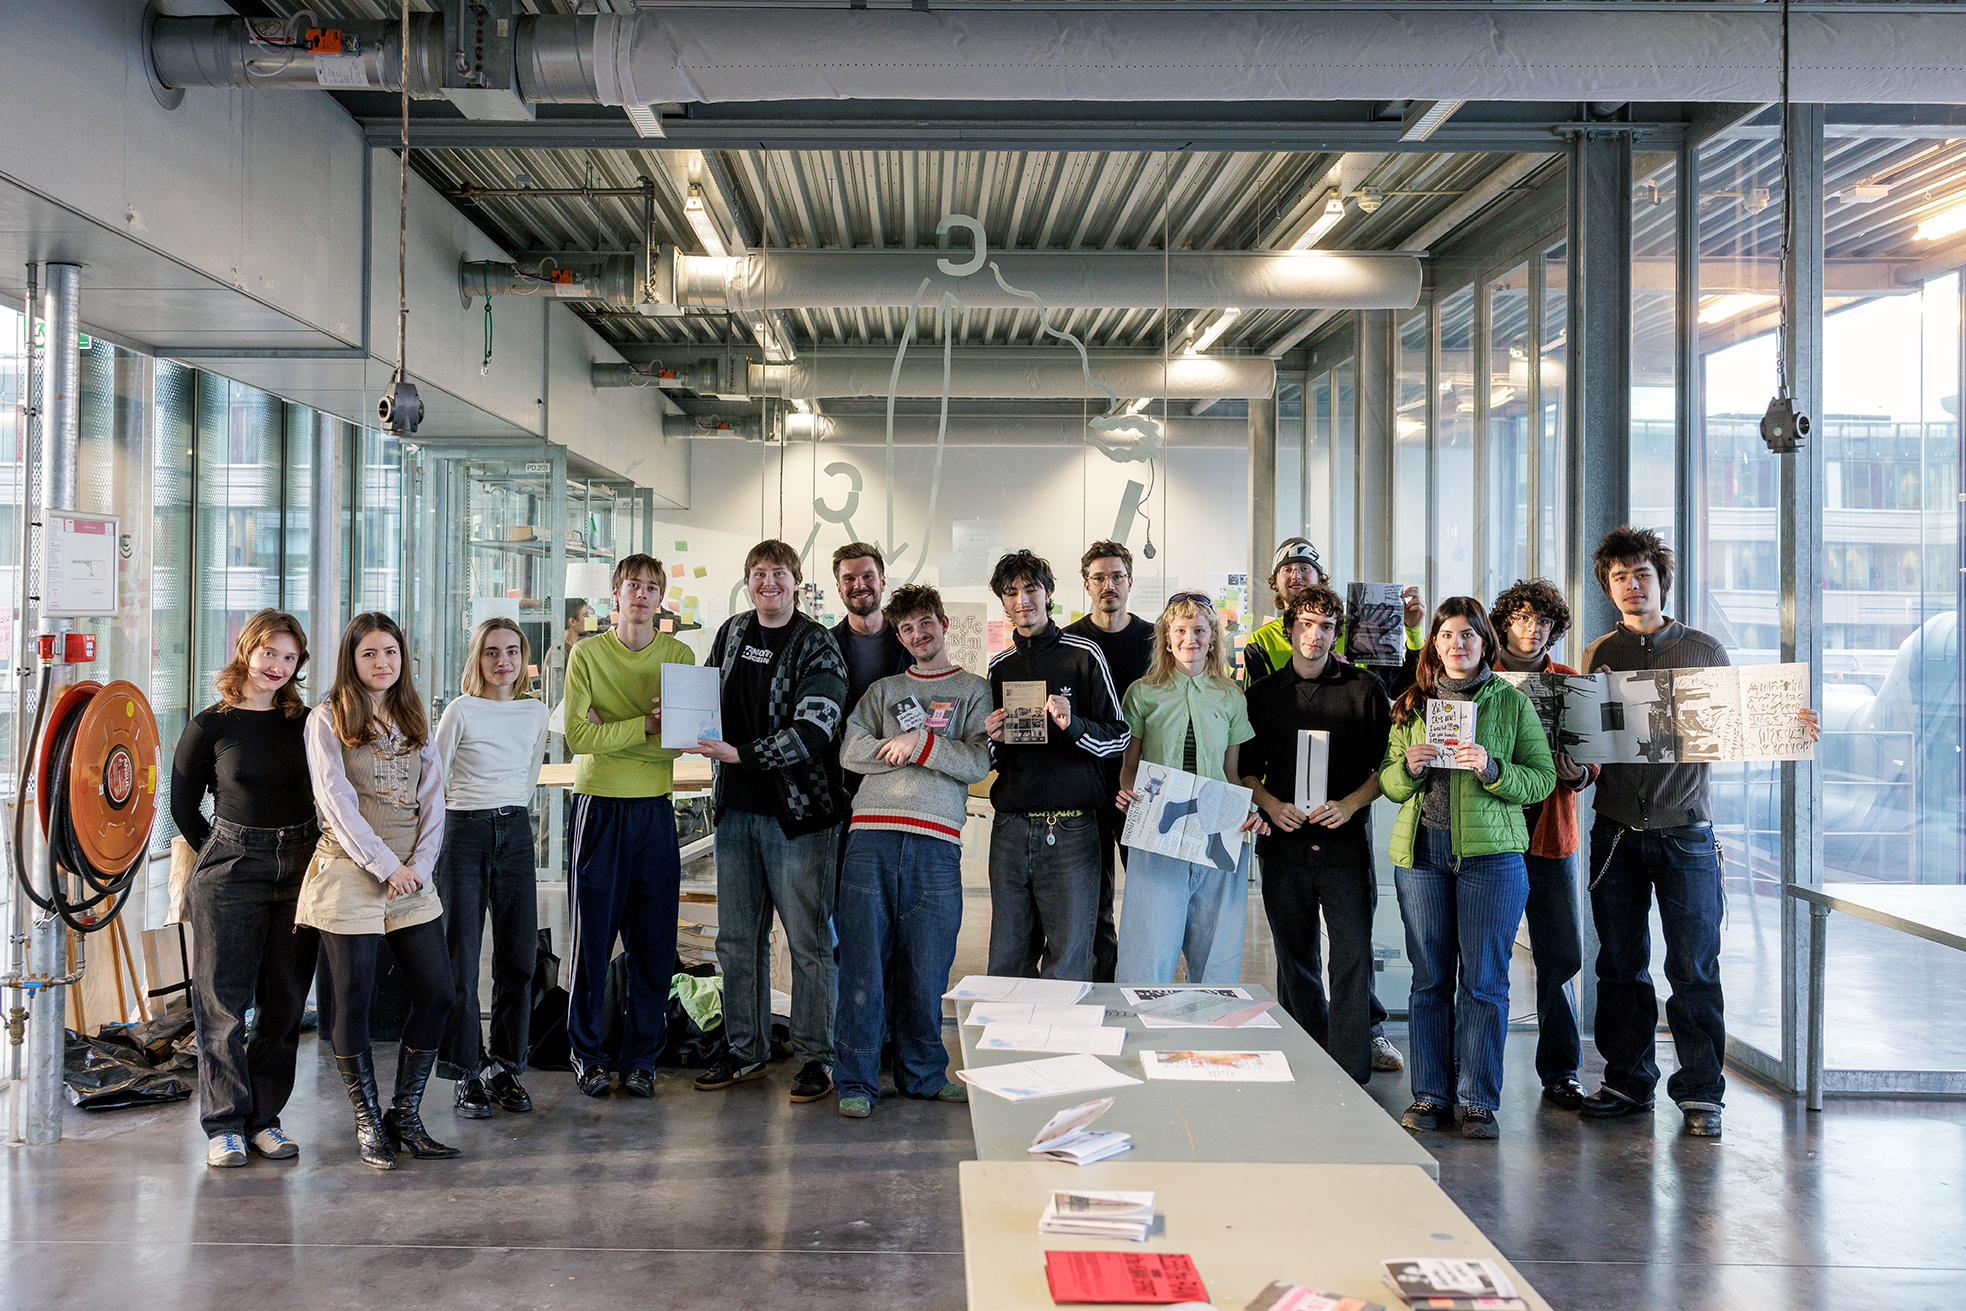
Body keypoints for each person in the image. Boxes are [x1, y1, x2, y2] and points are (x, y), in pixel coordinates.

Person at [1580, 526, 1818, 1139]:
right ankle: (1627, 1081)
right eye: (1619, 578)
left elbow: (1736, 726)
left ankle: (1701, 1093)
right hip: (1615, 831)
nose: (1632, 586)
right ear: (1609, 589)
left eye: (1642, 575)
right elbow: (1590, 741)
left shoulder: (1704, 650)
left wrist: (1787, 722)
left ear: (1662, 581)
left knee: (1693, 968)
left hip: (1685, 830)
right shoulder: (1599, 653)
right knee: (1620, 965)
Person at [1240, 535, 1419, 1073]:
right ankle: (1307, 1060)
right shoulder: (1261, 695)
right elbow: (1244, 769)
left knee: (1352, 957)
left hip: (1344, 846)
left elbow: (1387, 767)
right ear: (1289, 629)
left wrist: (1351, 803)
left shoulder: (1365, 689)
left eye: (1324, 626)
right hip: (1284, 847)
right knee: (1295, 960)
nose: (1314, 635)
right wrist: (1270, 804)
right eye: (1305, 625)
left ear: (1336, 632)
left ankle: (1350, 1067)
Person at [1379, 598, 1554, 1141]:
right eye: (1448, 635)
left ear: (1485, 643)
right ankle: (1430, 1094)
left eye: (1469, 635)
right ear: (1434, 643)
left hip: (1492, 859)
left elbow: (1542, 779)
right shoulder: (1412, 705)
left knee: (1483, 981)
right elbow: (1388, 782)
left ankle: (1477, 1099)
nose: (1458, 645)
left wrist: (1494, 768)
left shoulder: (1510, 702)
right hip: (1423, 857)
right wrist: (1407, 769)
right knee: (1430, 978)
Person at [690, 540, 851, 1104]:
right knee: (737, 941)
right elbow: (705, 696)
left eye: (779, 573)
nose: (768, 583)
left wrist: (741, 755)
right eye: (758, 573)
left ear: (796, 582)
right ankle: (745, 1051)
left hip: (800, 818)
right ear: (748, 581)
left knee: (808, 943)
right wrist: (679, 718)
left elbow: (816, 730)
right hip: (736, 813)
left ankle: (815, 1057)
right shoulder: (733, 632)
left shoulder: (818, 644)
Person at [298, 613, 458, 1170]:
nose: (382, 662)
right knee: (353, 998)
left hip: (411, 873)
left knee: (437, 993)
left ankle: (404, 1115)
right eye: (369, 653)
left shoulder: (414, 716)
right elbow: (336, 803)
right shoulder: (327, 718)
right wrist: (387, 866)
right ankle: (368, 1120)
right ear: (351, 659)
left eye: (390, 651)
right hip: (349, 868)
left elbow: (433, 798)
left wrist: (419, 865)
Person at [835, 582, 993, 1118]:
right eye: (907, 628)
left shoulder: (974, 690)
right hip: (870, 836)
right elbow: (851, 751)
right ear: (899, 638)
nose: (918, 634)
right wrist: (901, 748)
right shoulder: (884, 691)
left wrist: (922, 743)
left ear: (943, 624)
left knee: (927, 965)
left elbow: (976, 763)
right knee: (862, 964)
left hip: (936, 841)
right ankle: (855, 1081)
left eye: (926, 623)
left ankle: (923, 1075)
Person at [170, 609, 321, 1168]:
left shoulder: (308, 722)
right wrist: (222, 851)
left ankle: (264, 1121)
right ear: (246, 649)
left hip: (301, 865)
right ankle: (225, 1125)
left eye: (289, 657)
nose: (277, 666)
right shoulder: (211, 725)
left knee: (284, 1003)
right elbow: (182, 806)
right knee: (224, 1005)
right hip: (232, 867)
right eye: (269, 653)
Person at [560, 554, 694, 1099]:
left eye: (652, 587)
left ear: (661, 598)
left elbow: (680, 742)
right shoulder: (587, 654)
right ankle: (587, 1057)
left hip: (654, 809)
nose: (642, 594)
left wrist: (615, 729)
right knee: (592, 942)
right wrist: (646, 724)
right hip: (598, 806)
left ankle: (642, 1060)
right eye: (633, 585)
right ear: (615, 593)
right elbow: (577, 737)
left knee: (654, 945)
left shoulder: (679, 656)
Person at [984, 550, 1131, 981]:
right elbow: (991, 758)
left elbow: (1118, 736)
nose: (1022, 600)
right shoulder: (999, 667)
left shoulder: (1084, 654)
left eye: (1031, 589)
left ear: (1048, 593)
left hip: (1072, 829)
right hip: (1011, 829)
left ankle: (1066, 1028)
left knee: (1069, 960)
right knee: (1008, 960)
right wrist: (993, 739)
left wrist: (1073, 725)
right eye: (1011, 592)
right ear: (1003, 601)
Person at [433, 618, 551, 1118]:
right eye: (491, 652)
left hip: (515, 830)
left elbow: (530, 774)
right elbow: (434, 779)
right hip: (463, 831)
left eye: (512, 651)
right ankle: (465, 1072)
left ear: (523, 658)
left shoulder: (535, 711)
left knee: (519, 958)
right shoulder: (460, 710)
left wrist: (508, 812)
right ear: (477, 659)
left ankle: (505, 1067)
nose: (503, 662)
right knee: (461, 958)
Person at [1489, 578, 1598, 1111]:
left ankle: (1561, 1071)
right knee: (1483, 957)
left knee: (1561, 956)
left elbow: (1592, 759)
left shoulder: (1569, 681)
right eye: (1523, 618)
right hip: (1491, 835)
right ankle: (1474, 1066)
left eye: (1544, 622)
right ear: (1505, 622)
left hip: (1551, 836)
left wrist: (1579, 773)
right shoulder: (1480, 677)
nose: (1533, 629)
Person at [1113, 593, 1259, 984]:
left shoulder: (1230, 696)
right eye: (1179, 631)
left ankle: (1211, 1021)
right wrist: (1127, 792)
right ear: (1166, 638)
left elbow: (1231, 772)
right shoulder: (1142, 693)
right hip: (1156, 830)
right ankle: (1144, 1020)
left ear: (1212, 639)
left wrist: (1249, 813)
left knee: (1216, 951)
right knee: (1148, 950)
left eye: (1198, 630)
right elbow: (1129, 766)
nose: (1189, 639)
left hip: (1218, 830)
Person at [1065, 540, 1157, 983]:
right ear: (1086, 585)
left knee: (1146, 889)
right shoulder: (1070, 641)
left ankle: (1141, 979)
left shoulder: (1156, 641)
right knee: (1094, 896)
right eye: (1099, 578)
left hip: (1141, 787)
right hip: (1087, 786)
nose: (1109, 585)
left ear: (1130, 581)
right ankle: (1103, 983)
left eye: (1117, 576)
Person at [831, 542, 914, 722]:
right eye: (849, 579)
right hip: (849, 739)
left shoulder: (910, 640)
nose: (859, 585)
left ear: (882, 583)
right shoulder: (827, 644)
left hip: (904, 739)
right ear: (839, 589)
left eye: (867, 576)